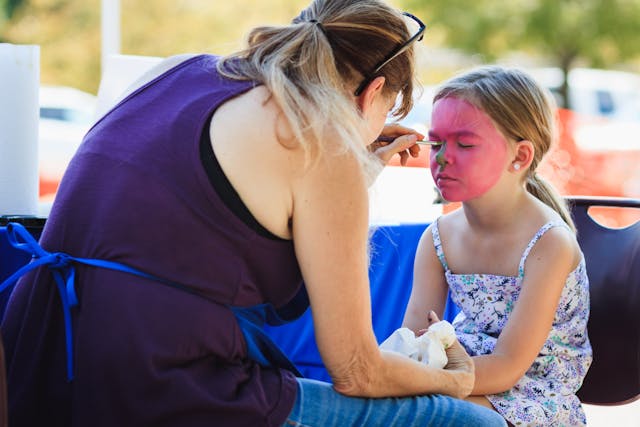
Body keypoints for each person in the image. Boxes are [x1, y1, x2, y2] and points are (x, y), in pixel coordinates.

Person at [0, 1, 507, 426]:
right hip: (159, 382)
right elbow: (356, 369)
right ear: (373, 92)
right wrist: (453, 381)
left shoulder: (180, 69)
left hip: (41, 347)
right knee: (472, 421)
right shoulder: (324, 140)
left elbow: (200, 219)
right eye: (386, 110)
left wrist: (360, 173)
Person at [402, 65, 593, 426]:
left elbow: (507, 368)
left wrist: (417, 381)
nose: (443, 157)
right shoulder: (437, 238)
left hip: (535, 397)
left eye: (465, 144)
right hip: (462, 378)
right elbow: (413, 341)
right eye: (436, 142)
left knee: (424, 415)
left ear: (520, 157)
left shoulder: (549, 244)